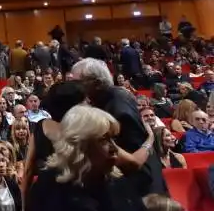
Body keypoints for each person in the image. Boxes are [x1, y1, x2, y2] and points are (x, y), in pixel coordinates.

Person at [23, 105, 152, 211]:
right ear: (81, 146)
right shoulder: (50, 188)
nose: (115, 149)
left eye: (113, 139)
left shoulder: (119, 183)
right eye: (103, 140)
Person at [71, 58, 167, 196]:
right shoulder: (111, 96)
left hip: (141, 186)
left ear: (97, 83)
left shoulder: (118, 109)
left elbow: (133, 158)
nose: (75, 87)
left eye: (78, 83)